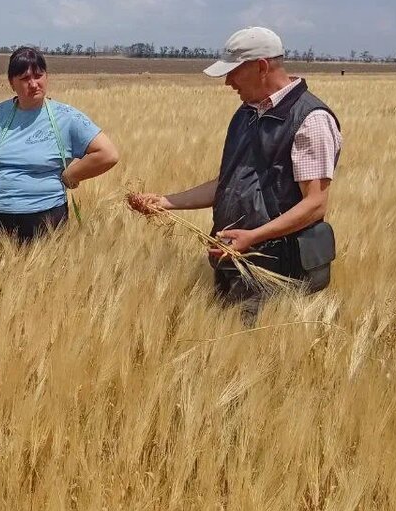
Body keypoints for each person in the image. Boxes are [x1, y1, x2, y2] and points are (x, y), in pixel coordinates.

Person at [129, 26, 342, 315]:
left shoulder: (310, 119)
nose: (228, 81)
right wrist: (166, 202)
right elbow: (229, 183)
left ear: (262, 67)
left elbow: (314, 204)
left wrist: (253, 237)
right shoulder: (246, 114)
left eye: (234, 72)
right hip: (233, 260)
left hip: (278, 270)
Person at [0, 45, 119, 249]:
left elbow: (108, 154)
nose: (33, 84)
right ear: (11, 83)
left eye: (38, 75)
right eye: (24, 78)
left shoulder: (67, 117)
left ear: (47, 77)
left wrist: (70, 176)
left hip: (45, 220)